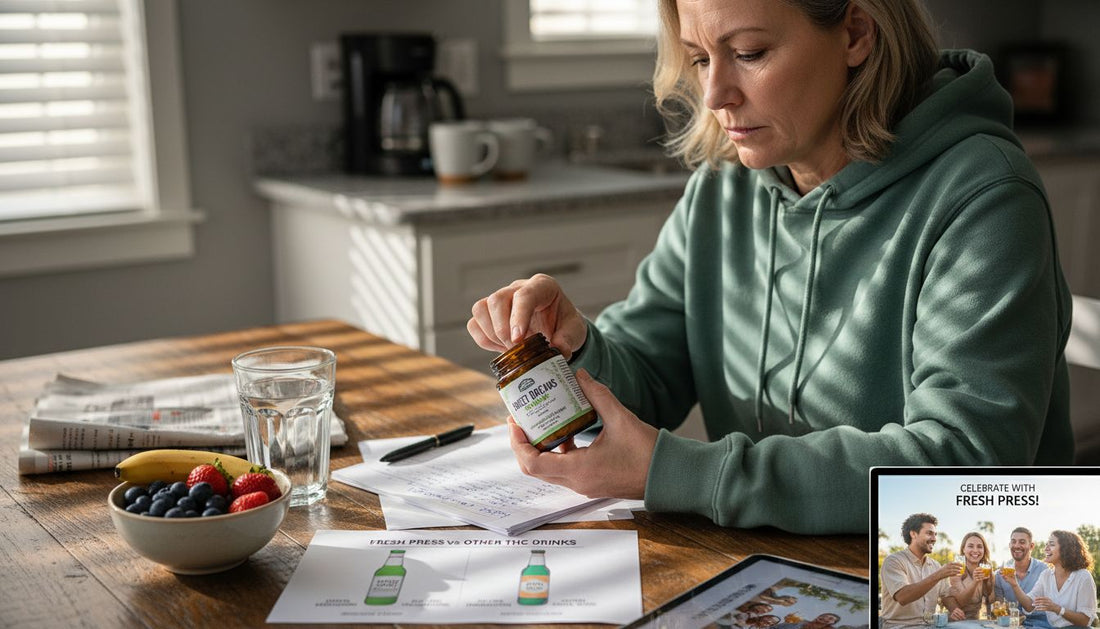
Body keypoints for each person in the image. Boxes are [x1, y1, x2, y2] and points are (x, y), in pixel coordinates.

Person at [466, 0, 1073, 533]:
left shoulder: (984, 196)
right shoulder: (723, 189)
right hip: (771, 564)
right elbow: (649, 375)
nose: (713, 95)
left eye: (749, 52)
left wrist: (689, 475)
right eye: (701, 58)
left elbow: (966, 465)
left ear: (856, 34)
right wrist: (573, 354)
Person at [878, 514, 965, 628]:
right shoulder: (893, 561)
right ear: (913, 534)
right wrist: (938, 575)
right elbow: (903, 597)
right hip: (900, 626)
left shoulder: (935, 565)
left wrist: (955, 610)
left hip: (931, 625)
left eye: (935, 534)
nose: (934, 539)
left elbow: (946, 595)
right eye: (929, 533)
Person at [1004, 530, 1098, 628]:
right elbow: (1029, 605)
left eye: (1051, 545)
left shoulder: (1083, 577)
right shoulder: (1046, 575)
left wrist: (1057, 609)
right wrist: (1014, 584)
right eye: (1046, 545)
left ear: (1065, 549)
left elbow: (1085, 621)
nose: (1046, 549)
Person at [994, 527, 1053, 629]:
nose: (1017, 546)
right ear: (1009, 545)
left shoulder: (1044, 570)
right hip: (1012, 623)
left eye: (1022, 542)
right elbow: (1000, 606)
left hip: (1040, 622)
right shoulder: (1000, 574)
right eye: (1013, 542)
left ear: (1031, 546)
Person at [948, 531, 995, 619]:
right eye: (970, 546)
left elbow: (991, 602)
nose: (975, 550)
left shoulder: (988, 572)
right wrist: (975, 581)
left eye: (980, 547)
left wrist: (989, 583)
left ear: (984, 550)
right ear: (963, 549)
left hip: (976, 622)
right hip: (956, 621)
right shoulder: (957, 571)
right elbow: (962, 601)